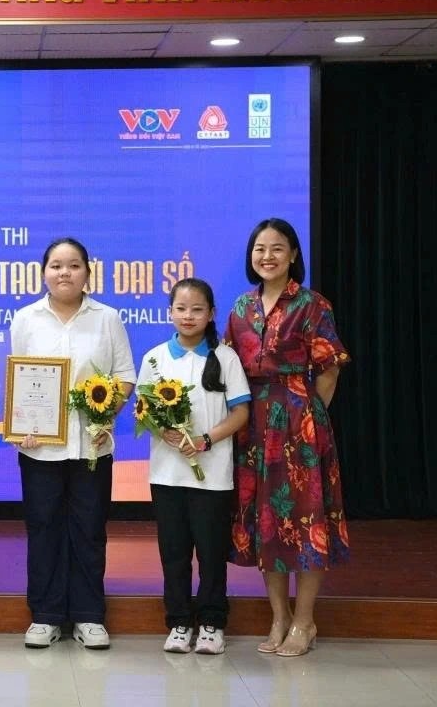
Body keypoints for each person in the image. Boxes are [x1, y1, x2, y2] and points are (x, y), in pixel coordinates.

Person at [225, 218, 350, 657]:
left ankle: (305, 620)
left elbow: (329, 369)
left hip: (300, 421)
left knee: (305, 520)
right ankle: (278, 616)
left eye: (278, 248)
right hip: (253, 424)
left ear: (294, 255)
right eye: (260, 248)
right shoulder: (240, 308)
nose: (268, 256)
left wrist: (307, 417)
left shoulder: (314, 305)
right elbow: (228, 370)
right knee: (266, 523)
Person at [9, 237, 135, 650]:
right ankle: (44, 615)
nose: (65, 273)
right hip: (39, 448)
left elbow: (125, 376)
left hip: (91, 448)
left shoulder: (107, 318)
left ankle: (88, 615)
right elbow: (17, 381)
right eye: (56, 266)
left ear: (87, 272)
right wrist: (20, 423)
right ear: (43, 272)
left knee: (89, 530)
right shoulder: (25, 319)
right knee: (43, 528)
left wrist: (105, 414)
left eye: (74, 265)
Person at [140, 278, 250, 655]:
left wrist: (206, 440)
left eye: (197, 309)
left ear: (211, 314)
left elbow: (241, 412)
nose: (188, 316)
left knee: (211, 552)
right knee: (173, 553)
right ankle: (179, 622)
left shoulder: (226, 358)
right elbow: (144, 409)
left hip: (213, 474)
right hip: (167, 474)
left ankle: (212, 623)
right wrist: (163, 429)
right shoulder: (154, 358)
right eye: (181, 309)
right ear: (170, 312)